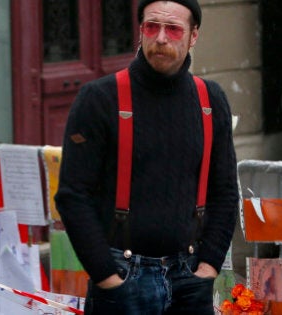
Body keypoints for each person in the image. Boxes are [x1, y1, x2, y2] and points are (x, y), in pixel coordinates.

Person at [54, 0, 239, 314]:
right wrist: (107, 277)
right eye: (152, 27)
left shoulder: (210, 100)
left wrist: (207, 268)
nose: (161, 38)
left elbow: (224, 192)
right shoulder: (99, 99)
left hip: (190, 276)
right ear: (140, 31)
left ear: (194, 35)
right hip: (123, 276)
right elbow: (73, 196)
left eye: (173, 29)